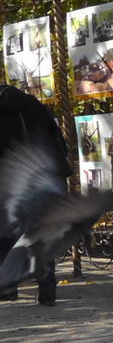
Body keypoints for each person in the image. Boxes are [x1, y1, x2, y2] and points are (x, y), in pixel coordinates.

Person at [0, 83, 72, 306]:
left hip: (9, 181)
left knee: (6, 233)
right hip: (42, 177)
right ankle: (47, 289)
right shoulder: (33, 105)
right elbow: (56, 138)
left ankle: (9, 286)